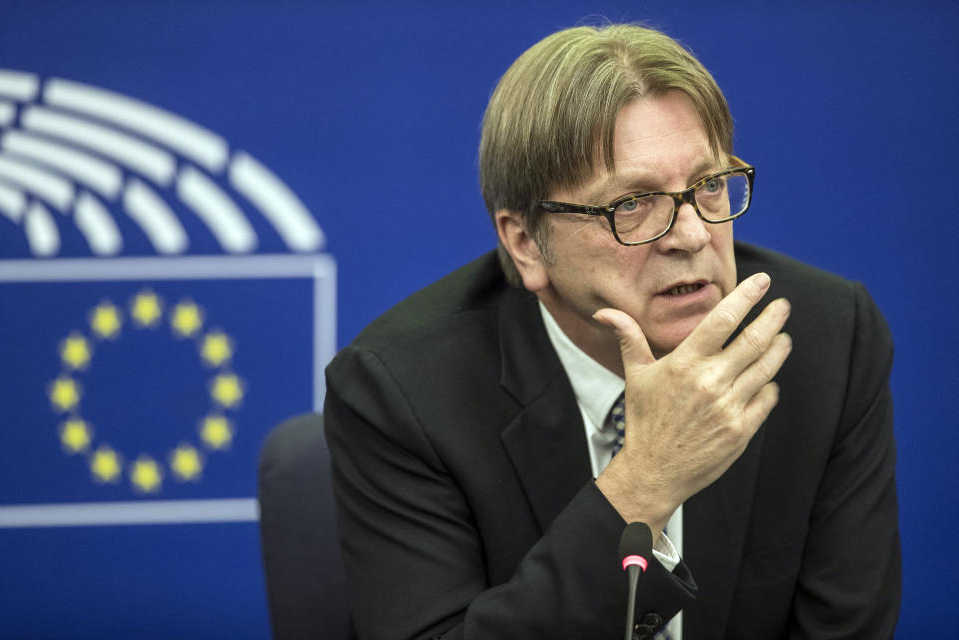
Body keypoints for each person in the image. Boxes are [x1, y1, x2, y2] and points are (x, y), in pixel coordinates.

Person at [323, 22, 900, 640]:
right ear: (526, 245)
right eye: (631, 203)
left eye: (707, 186)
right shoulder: (401, 392)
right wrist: (645, 479)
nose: (693, 235)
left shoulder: (826, 342)